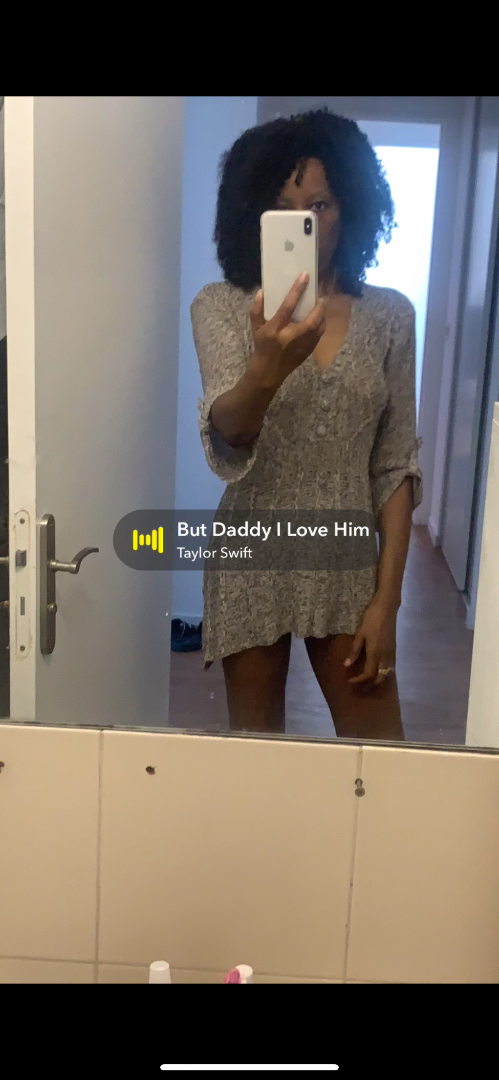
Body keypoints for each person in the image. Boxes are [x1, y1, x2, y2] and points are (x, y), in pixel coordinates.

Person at [190, 109, 422, 739]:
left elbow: (395, 465)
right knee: (259, 756)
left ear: (352, 208)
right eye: (285, 208)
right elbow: (230, 433)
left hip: (347, 560)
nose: (306, 223)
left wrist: (388, 602)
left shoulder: (391, 317)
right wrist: (266, 367)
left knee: (381, 756)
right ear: (253, 214)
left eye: (320, 205)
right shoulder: (222, 306)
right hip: (251, 553)